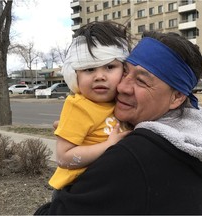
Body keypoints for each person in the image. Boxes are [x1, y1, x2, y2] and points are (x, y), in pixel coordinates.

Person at [35, 31, 202, 215]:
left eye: (142, 81)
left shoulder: (131, 155)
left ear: (177, 97)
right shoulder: (194, 143)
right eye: (125, 72)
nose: (122, 86)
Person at [48, 21, 131, 196]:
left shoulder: (122, 103)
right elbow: (64, 158)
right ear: (74, 74)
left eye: (110, 67)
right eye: (89, 69)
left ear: (124, 70)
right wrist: (109, 145)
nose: (100, 76)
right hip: (76, 192)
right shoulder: (78, 106)